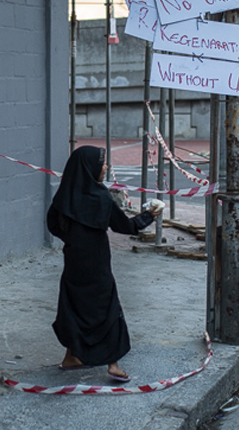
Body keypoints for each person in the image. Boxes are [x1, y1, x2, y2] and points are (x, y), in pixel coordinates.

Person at [47, 145, 162, 382]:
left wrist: (72, 238)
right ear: (90, 167)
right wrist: (149, 216)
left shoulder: (64, 196)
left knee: (74, 306)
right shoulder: (100, 197)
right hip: (97, 262)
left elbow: (52, 224)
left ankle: (72, 356)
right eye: (102, 163)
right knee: (106, 308)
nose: (106, 166)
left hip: (73, 261)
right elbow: (125, 226)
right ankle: (113, 363)